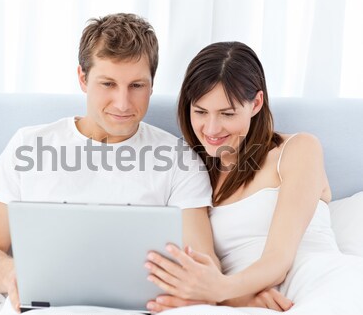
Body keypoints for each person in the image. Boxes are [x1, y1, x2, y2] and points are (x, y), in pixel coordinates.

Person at [0, 13, 216, 313]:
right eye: (108, 83)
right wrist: (14, 277)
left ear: (152, 84)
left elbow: (204, 262)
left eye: (136, 85)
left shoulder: (179, 160)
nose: (123, 103)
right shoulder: (30, 145)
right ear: (83, 79)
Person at [145, 41, 363, 314]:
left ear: (256, 103)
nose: (211, 128)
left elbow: (279, 259)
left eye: (227, 113)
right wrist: (233, 300)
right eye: (200, 111)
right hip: (241, 302)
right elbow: (204, 262)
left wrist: (221, 291)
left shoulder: (298, 149)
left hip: (319, 283)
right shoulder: (187, 169)